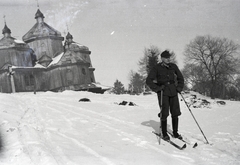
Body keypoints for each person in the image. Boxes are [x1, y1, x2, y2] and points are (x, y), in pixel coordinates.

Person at [146, 50, 184, 141]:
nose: (168, 59)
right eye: (166, 58)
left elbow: (180, 78)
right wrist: (158, 89)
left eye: (169, 57)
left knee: (175, 112)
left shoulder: (173, 66)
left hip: (173, 91)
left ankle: (175, 132)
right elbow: (149, 81)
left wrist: (179, 87)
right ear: (162, 58)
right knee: (164, 112)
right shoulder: (157, 68)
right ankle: (164, 133)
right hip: (163, 92)